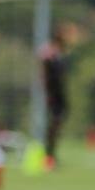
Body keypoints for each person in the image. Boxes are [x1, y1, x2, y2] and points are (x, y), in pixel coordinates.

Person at [39, 29, 68, 168]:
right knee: (53, 125)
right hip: (53, 95)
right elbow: (45, 75)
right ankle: (48, 156)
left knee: (57, 124)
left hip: (59, 94)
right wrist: (47, 94)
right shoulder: (49, 54)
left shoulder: (58, 55)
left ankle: (51, 154)